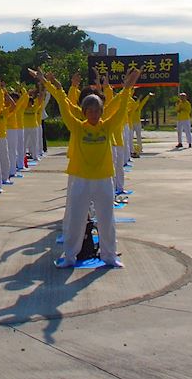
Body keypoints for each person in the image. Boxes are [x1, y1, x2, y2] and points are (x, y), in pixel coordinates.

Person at [41, 67, 139, 268]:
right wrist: (57, 87)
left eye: (97, 111)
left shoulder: (107, 126)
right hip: (81, 179)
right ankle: (70, 256)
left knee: (106, 219)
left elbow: (121, 109)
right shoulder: (77, 127)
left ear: (102, 112)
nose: (94, 114)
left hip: (103, 179)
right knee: (77, 219)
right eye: (90, 111)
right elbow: (64, 106)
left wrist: (127, 89)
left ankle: (109, 256)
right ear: (84, 112)